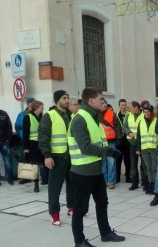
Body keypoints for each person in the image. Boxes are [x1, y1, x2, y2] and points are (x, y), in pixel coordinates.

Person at [68, 87, 124, 247]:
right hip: (82, 172)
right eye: (100, 99)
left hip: (95, 170)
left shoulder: (93, 117)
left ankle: (105, 233)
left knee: (102, 202)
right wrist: (107, 152)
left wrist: (109, 150)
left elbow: (98, 140)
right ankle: (79, 241)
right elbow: (85, 147)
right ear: (91, 101)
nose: (103, 101)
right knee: (80, 208)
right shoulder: (80, 119)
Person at [38, 90, 74, 227]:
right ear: (57, 100)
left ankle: (72, 208)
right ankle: (54, 214)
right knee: (55, 188)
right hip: (56, 158)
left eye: (68, 98)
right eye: (64, 98)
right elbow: (43, 137)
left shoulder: (70, 115)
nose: (67, 100)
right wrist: (47, 156)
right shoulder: (49, 116)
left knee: (72, 185)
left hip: (70, 157)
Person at [22, 101, 48, 192]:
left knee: (45, 162)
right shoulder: (27, 118)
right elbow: (25, 133)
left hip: (42, 143)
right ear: (36, 107)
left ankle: (46, 180)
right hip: (33, 144)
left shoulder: (43, 117)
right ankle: (36, 184)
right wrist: (26, 148)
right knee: (35, 165)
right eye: (42, 107)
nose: (43, 108)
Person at [123, 101, 148, 190]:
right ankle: (135, 183)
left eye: (130, 108)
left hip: (142, 143)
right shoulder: (128, 115)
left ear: (136, 107)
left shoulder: (144, 115)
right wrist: (128, 132)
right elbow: (125, 126)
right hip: (132, 143)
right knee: (133, 164)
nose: (129, 109)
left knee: (144, 165)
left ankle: (145, 183)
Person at [100, 98, 123, 189]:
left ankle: (111, 181)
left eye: (105, 103)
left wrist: (119, 140)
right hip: (101, 143)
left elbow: (118, 127)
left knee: (111, 162)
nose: (104, 104)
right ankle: (104, 181)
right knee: (103, 163)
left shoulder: (111, 114)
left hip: (111, 142)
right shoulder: (95, 115)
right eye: (102, 103)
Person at [136, 103, 158, 195]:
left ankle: (155, 186)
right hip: (144, 148)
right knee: (148, 168)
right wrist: (138, 148)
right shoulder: (141, 122)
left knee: (154, 168)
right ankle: (150, 183)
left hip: (154, 148)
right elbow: (138, 136)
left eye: (148, 111)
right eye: (144, 112)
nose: (146, 113)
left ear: (151, 112)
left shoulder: (156, 120)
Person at [15, 97, 36, 185]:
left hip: (34, 140)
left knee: (35, 160)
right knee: (26, 159)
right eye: (32, 103)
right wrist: (21, 134)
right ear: (28, 104)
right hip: (25, 140)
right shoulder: (21, 114)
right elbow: (17, 126)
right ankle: (27, 177)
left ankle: (36, 176)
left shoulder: (37, 113)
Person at [116, 99, 131, 183]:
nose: (124, 106)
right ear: (119, 106)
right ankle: (117, 177)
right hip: (119, 140)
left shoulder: (129, 115)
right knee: (118, 159)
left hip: (128, 140)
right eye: (122, 105)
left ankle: (128, 176)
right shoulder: (116, 115)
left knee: (127, 160)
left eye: (125, 105)